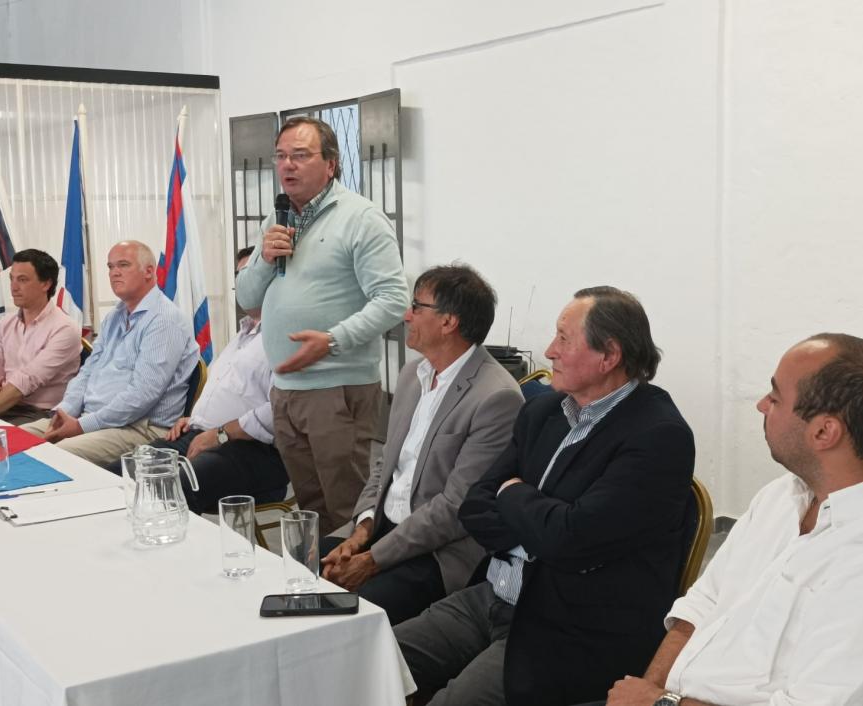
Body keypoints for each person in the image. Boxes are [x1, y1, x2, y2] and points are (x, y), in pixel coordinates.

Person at [395, 286, 696, 706]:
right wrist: (542, 520)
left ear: (608, 355)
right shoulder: (543, 412)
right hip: (491, 594)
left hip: (568, 625)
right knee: (372, 662)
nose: (549, 351)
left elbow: (571, 539)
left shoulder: (658, 436)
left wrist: (514, 495)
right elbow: (475, 506)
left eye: (563, 339)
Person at [594, 333, 863, 706]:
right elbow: (700, 606)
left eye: (775, 397)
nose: (761, 405)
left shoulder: (855, 561)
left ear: (823, 432)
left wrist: (659, 703)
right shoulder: (780, 497)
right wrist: (651, 690)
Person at [320, 265, 523, 625]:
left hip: (439, 551)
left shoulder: (496, 397)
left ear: (449, 322)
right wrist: (362, 530)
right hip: (382, 527)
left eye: (417, 306)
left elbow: (454, 507)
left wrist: (372, 558)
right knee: (290, 568)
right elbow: (384, 463)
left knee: (348, 614)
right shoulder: (413, 374)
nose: (406, 315)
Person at [235, 116, 409, 535]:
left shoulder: (361, 218)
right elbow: (246, 297)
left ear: (330, 164)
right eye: (280, 156)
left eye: (300, 156)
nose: (287, 166)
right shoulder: (275, 222)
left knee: (346, 511)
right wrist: (263, 256)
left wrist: (331, 341)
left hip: (336, 390)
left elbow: (394, 300)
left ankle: (355, 596)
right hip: (286, 392)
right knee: (310, 510)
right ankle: (316, 589)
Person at [107, 247, 290, 515]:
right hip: (202, 433)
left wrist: (221, 433)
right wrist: (195, 418)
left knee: (168, 490)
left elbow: (281, 410)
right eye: (240, 276)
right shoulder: (243, 334)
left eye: (253, 274)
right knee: (119, 474)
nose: (244, 283)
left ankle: (173, 555)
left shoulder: (286, 334)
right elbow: (224, 392)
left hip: (254, 449)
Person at [22, 240, 199, 467]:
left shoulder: (164, 320)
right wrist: (64, 412)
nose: (114, 273)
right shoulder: (114, 317)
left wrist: (82, 426)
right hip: (90, 418)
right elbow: (87, 373)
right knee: (13, 440)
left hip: (139, 428)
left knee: (54, 458)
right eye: (110, 267)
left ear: (149, 272)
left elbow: (142, 396)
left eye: (123, 265)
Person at [0, 249, 81, 425]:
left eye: (22, 280)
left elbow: (26, 381)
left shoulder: (64, 328)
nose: (13, 287)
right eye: (11, 279)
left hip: (40, 414)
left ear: (46, 284)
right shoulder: (6, 324)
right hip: (6, 406)